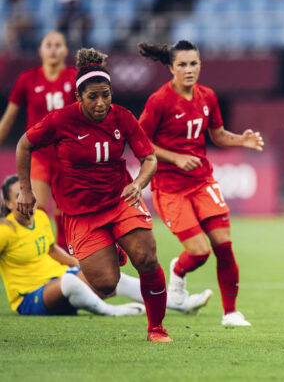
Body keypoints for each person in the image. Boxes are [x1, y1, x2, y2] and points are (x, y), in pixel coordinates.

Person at [15, 48, 172, 342]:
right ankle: (115, 249)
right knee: (105, 283)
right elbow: (24, 145)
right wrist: (26, 190)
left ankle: (157, 328)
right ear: (79, 97)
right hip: (81, 214)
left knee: (147, 257)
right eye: (93, 97)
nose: (101, 103)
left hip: (119, 201)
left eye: (106, 95)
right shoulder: (60, 120)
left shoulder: (122, 117)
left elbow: (149, 158)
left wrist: (138, 183)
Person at [138, 40, 264, 327]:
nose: (189, 69)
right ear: (171, 68)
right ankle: (178, 272)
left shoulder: (207, 96)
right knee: (199, 252)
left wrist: (241, 140)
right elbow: (139, 140)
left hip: (202, 181)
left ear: (200, 65)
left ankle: (230, 313)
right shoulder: (159, 101)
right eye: (182, 64)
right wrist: (176, 158)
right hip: (169, 188)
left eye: (193, 63)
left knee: (224, 245)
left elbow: (217, 134)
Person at [1, 175, 211, 316]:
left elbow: (51, 249)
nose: (27, 197)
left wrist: (80, 265)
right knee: (69, 282)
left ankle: (182, 305)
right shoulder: (5, 230)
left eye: (28, 190)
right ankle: (112, 311)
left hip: (57, 279)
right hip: (30, 297)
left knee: (114, 278)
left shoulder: (40, 217)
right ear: (9, 204)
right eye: (18, 194)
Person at [0, 32, 77, 249]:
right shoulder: (27, 79)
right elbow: (9, 117)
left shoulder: (74, 77)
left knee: (65, 211)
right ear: (40, 51)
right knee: (38, 207)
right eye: (48, 45)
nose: (53, 49)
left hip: (67, 154)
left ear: (65, 51)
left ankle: (67, 260)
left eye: (58, 45)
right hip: (38, 155)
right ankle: (44, 255)